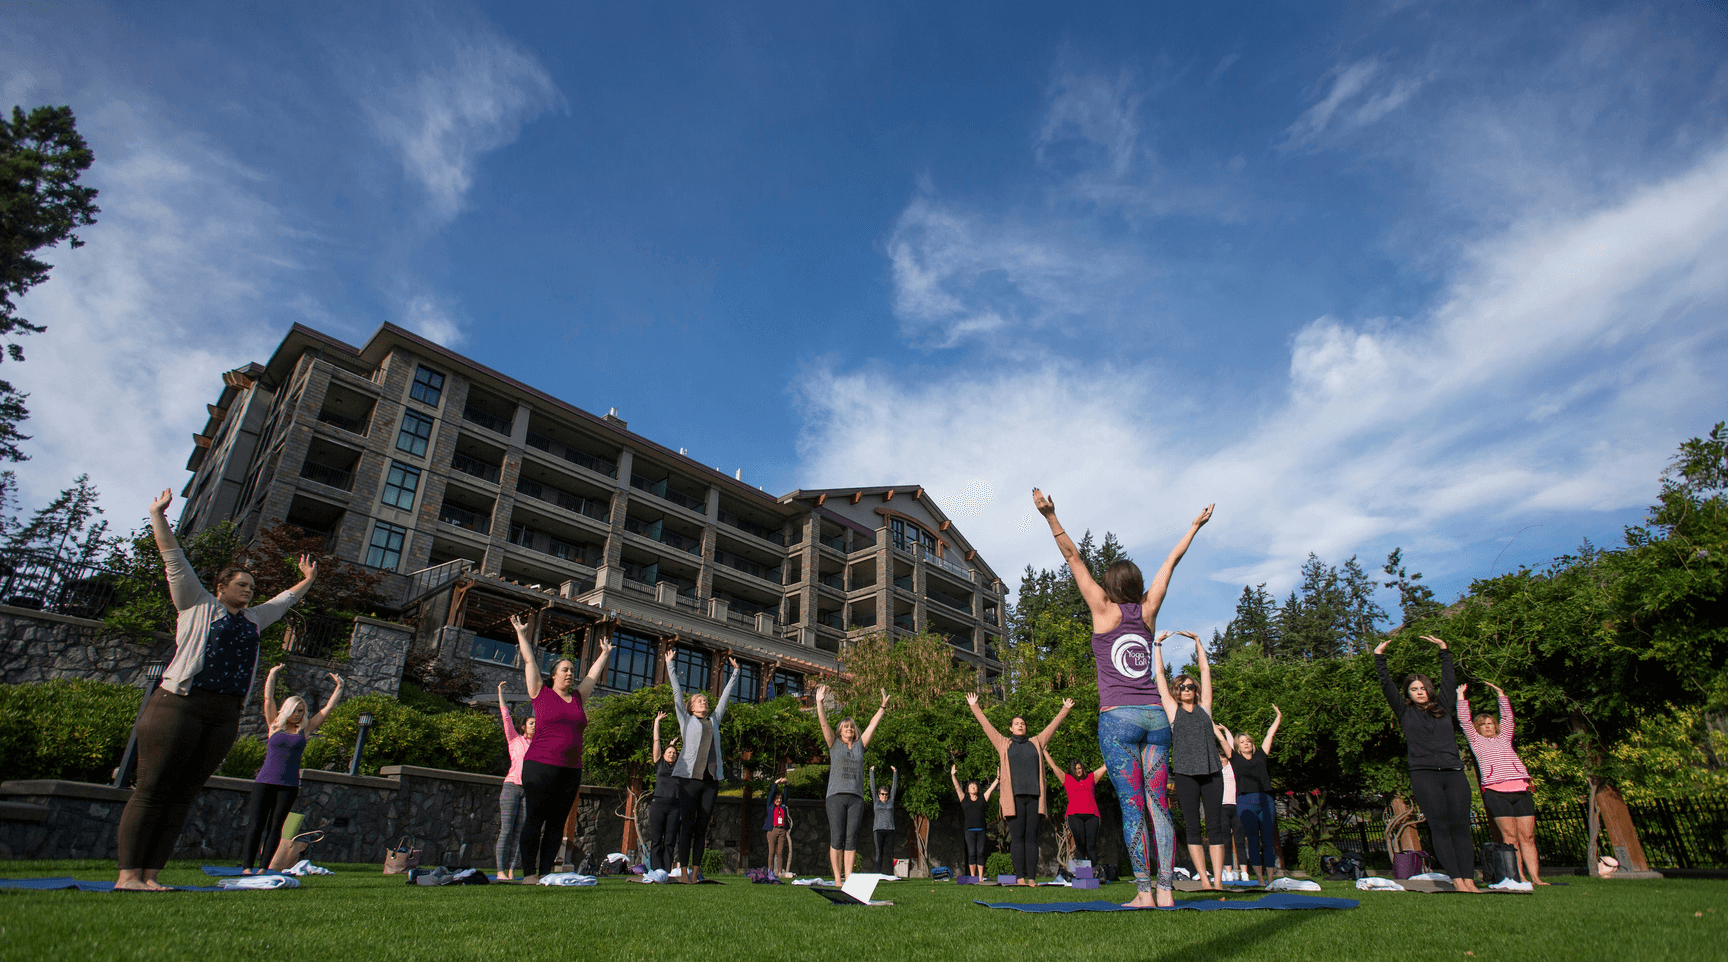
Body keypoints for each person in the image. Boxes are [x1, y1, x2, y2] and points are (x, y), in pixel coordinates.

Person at [116, 489, 317, 891]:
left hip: (223, 713)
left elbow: (283, 601)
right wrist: (158, 514)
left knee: (184, 793)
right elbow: (173, 557)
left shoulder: (253, 620)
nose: (249, 590)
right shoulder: (196, 602)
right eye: (242, 584)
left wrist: (308, 580)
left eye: (252, 586)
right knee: (153, 788)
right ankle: (128, 875)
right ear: (221, 586)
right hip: (179, 705)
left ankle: (151, 875)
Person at [1034, 488, 1213, 907]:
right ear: (1136, 585)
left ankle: (1144, 893)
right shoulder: (1148, 611)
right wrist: (1193, 527)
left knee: (1133, 807)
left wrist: (1050, 516)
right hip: (1156, 718)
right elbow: (1170, 563)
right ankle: (1167, 892)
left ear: (1110, 586)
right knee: (1159, 806)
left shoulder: (1103, 610)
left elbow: (1073, 558)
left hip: (1118, 719)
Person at [509, 613, 611, 884]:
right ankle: (529, 873)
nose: (570, 673)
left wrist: (604, 654)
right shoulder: (540, 693)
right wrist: (521, 633)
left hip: (570, 770)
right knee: (535, 818)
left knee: (557, 822)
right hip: (540, 766)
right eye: (565, 669)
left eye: (571, 670)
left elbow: (591, 676)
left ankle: (545, 873)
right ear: (553, 675)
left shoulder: (577, 698)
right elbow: (529, 661)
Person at [1375, 633, 1480, 893]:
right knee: (1440, 827)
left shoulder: (1443, 706)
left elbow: (1449, 680)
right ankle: (1457, 880)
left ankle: (1469, 879)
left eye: (1422, 688)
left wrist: (1444, 650)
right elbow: (1387, 685)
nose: (1419, 692)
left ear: (1428, 690)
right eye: (1414, 689)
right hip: (1424, 775)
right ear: (1408, 694)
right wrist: (1379, 658)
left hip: (1454, 772)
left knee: (1461, 827)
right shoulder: (1404, 711)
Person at [240, 664, 342, 873]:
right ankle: (247, 867)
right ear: (287, 710)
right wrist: (272, 674)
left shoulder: (304, 730)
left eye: (301, 711)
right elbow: (268, 699)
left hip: (288, 785)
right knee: (256, 825)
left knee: (276, 827)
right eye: (294, 710)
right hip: (264, 782)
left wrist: (339, 687)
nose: (297, 714)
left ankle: (263, 868)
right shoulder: (274, 725)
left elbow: (327, 710)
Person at [966, 693, 1075, 885]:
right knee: (1017, 838)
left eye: (1022, 723)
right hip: (1013, 799)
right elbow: (987, 727)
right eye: (1016, 723)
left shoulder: (1036, 742)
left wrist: (1065, 709)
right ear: (1011, 728)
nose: (1020, 725)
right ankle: (1020, 878)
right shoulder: (1003, 743)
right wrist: (974, 706)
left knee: (1031, 838)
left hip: (1034, 797)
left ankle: (1032, 877)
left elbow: (1052, 727)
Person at [1153, 628, 1229, 891]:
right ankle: (1204, 881)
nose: (1186, 689)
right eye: (1181, 687)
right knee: (1193, 827)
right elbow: (1159, 677)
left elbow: (1205, 671)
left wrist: (1198, 642)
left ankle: (1218, 882)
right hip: (1186, 774)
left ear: (1195, 690)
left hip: (1211, 773)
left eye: (1190, 686)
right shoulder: (1173, 711)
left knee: (1215, 826)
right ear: (1176, 691)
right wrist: (1157, 646)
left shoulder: (1205, 708)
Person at [665, 650, 742, 883]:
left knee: (702, 827)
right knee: (687, 826)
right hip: (689, 780)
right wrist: (669, 665)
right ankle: (683, 873)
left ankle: (695, 874)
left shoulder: (714, 720)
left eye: (705, 700)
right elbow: (677, 693)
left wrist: (735, 673)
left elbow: (724, 698)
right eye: (699, 700)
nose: (704, 702)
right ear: (691, 707)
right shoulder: (686, 720)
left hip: (710, 781)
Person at [1458, 680, 1545, 885]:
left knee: (1528, 836)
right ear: (1477, 728)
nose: (1487, 726)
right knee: (1510, 837)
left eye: (1490, 723)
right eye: (1483, 724)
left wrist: (1501, 695)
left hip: (1520, 789)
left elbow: (1508, 718)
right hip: (1496, 792)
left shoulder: (1504, 738)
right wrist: (1461, 697)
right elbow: (1464, 721)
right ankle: (1519, 876)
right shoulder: (1476, 742)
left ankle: (1536, 877)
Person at [815, 684, 890, 884]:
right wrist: (819, 702)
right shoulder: (834, 744)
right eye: (845, 727)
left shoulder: (860, 746)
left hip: (856, 797)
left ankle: (848, 878)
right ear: (840, 731)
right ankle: (837, 878)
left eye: (851, 727)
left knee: (851, 839)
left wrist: (882, 707)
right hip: (835, 797)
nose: (849, 728)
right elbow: (823, 724)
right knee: (837, 837)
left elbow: (872, 725)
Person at [1226, 708, 1282, 884]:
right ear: (1238, 746)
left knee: (1267, 839)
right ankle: (1259, 878)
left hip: (1265, 800)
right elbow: (1222, 740)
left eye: (1248, 741)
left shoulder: (1260, 756)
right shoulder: (1235, 759)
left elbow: (1269, 735)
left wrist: (1278, 717)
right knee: (1252, 839)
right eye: (1242, 742)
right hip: (1245, 801)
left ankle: (1270, 878)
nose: (1246, 744)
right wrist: (1216, 726)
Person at [494, 681, 535, 880]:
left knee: (520, 833)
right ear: (523, 727)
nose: (534, 725)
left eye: (536, 723)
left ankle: (511, 870)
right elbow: (505, 716)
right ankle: (500, 870)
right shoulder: (514, 739)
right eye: (531, 723)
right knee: (506, 830)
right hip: (511, 787)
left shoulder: (539, 746)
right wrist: (501, 693)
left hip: (528, 791)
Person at [1045, 751, 1106, 867]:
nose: (1078, 771)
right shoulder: (1067, 779)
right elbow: (1053, 766)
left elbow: (1104, 767)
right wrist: (1044, 751)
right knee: (1080, 845)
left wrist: (1113, 748)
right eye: (1075, 769)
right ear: (1071, 770)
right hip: (1074, 816)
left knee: (1091, 846)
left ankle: (1093, 872)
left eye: (1079, 768)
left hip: (1092, 815)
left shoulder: (1091, 778)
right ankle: (1082, 874)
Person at [644, 711, 681, 875]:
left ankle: (666, 871)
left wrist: (673, 744)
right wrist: (657, 722)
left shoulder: (680, 766)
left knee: (670, 841)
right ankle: (655, 870)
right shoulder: (659, 763)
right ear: (664, 754)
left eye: (674, 753)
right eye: (669, 752)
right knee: (656, 840)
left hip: (675, 806)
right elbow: (656, 741)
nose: (672, 754)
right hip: (658, 804)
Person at [950, 765, 998, 881]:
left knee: (980, 852)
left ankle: (980, 877)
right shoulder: (964, 799)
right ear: (967, 789)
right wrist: (953, 775)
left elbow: (991, 788)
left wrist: (998, 778)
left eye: (975, 786)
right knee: (971, 853)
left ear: (978, 788)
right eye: (971, 786)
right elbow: (957, 787)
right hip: (969, 831)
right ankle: (973, 877)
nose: (973, 787)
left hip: (981, 830)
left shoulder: (983, 798)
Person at [1215, 725, 1248, 882]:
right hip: (1222, 808)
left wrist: (1225, 730)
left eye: (1223, 756)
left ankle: (1244, 873)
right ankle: (1228, 872)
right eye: (1219, 757)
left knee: (1240, 841)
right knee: (1225, 841)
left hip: (1236, 806)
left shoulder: (1233, 767)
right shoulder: (1215, 772)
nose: (1222, 759)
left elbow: (1230, 745)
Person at [869, 765, 900, 876]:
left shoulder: (890, 801)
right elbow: (872, 787)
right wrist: (871, 772)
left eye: (886, 794)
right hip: (878, 830)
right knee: (879, 853)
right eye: (882, 794)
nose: (884, 796)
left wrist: (895, 772)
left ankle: (891, 874)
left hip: (889, 830)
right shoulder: (876, 801)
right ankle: (878, 874)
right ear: (879, 795)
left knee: (889, 853)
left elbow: (894, 788)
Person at [762, 774, 794, 878]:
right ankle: (770, 871)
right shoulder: (770, 806)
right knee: (771, 852)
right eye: (777, 798)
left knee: (780, 852)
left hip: (782, 830)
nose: (779, 800)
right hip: (772, 830)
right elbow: (771, 795)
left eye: (780, 798)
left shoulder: (783, 806)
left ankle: (780, 871)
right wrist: (776, 783)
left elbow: (786, 795)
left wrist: (786, 784)